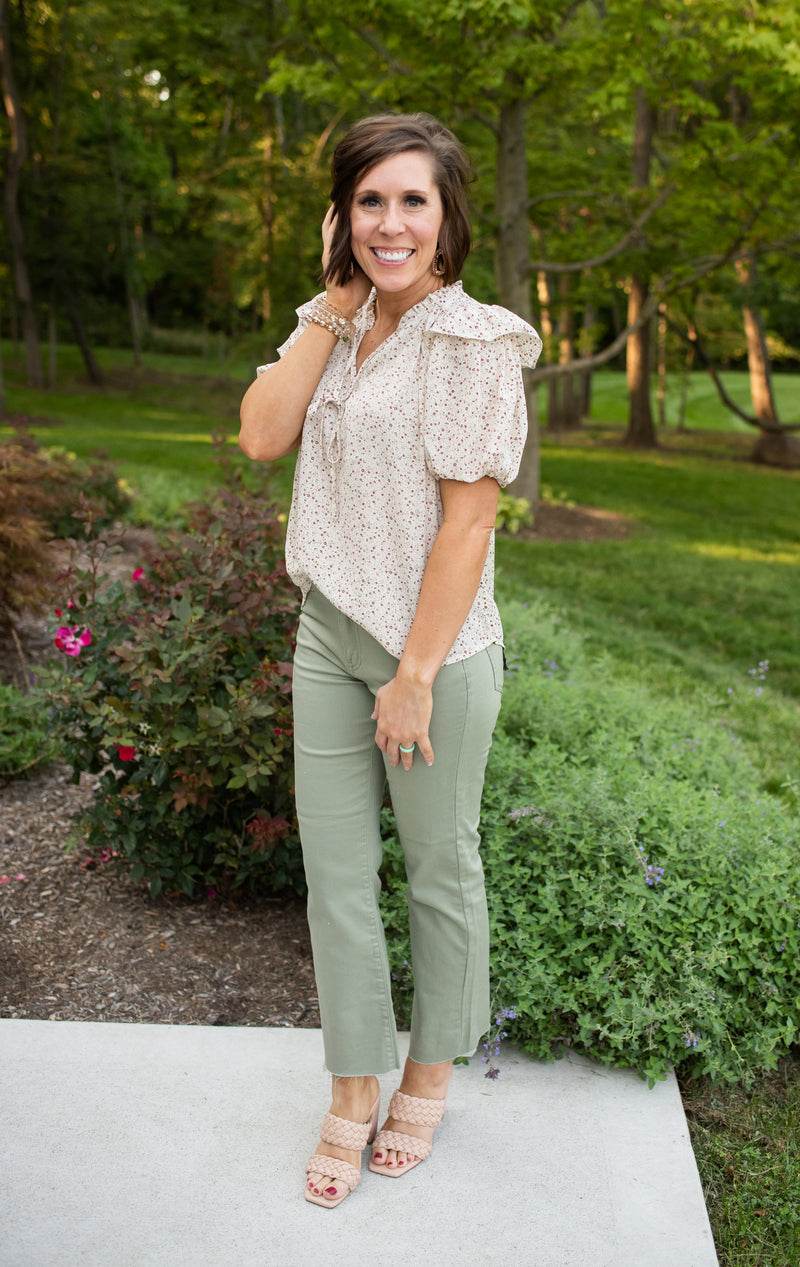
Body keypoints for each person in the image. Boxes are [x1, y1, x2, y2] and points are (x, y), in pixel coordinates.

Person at [239, 112, 541, 1210]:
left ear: (447, 218)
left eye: (412, 200)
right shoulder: (334, 326)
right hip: (327, 629)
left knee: (436, 868)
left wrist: (413, 674)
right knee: (335, 881)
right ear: (342, 217)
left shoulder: (474, 343)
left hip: (435, 650)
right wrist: (328, 304)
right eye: (370, 200)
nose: (390, 222)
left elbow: (467, 528)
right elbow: (261, 436)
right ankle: (353, 1086)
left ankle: (427, 1074)